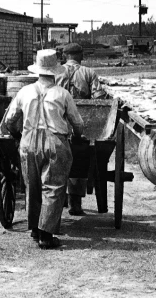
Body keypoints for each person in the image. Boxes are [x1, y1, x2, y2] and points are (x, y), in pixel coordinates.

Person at [0, 49, 84, 249]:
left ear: (37, 70)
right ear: (55, 71)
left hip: (28, 143)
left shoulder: (24, 92)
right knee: (53, 188)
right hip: (55, 143)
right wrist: (78, 136)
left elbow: (9, 121)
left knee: (33, 186)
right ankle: (46, 234)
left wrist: (18, 136)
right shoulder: (63, 94)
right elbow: (77, 123)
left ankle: (36, 230)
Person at [55, 42, 105, 216]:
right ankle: (75, 204)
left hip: (57, 124)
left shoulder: (55, 73)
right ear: (81, 56)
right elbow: (99, 99)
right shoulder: (89, 73)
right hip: (82, 126)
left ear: (64, 56)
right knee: (82, 158)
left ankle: (56, 200)